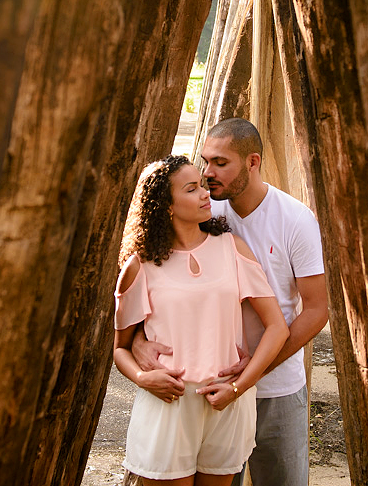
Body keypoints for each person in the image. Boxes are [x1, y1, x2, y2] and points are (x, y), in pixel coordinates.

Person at [134, 119, 329, 486]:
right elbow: (162, 283)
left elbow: (317, 309)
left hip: (276, 389)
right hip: (207, 390)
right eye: (206, 162)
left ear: (252, 162)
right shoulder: (205, 213)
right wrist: (139, 341)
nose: (208, 174)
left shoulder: (295, 220)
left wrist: (254, 370)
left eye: (221, 163)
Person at [114, 154, 290, 486]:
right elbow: (120, 349)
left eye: (203, 186)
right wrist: (141, 377)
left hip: (227, 403)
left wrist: (239, 387)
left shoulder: (232, 247)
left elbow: (277, 328)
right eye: (192, 189)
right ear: (165, 205)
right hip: (169, 404)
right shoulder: (140, 267)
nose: (205, 194)